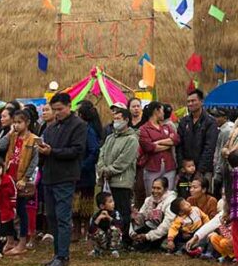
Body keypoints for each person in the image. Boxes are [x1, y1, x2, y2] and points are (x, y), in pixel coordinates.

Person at [38, 92, 88, 266]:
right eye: (54, 109)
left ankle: (63, 255)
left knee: (63, 217)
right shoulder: (51, 127)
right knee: (51, 216)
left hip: (65, 177)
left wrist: (52, 152)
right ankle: (56, 253)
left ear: (69, 106)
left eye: (60, 109)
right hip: (49, 177)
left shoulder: (79, 125)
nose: (57, 112)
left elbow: (76, 151)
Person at [0, 110, 38, 255]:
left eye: (19, 122)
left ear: (27, 123)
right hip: (8, 178)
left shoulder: (33, 139)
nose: (16, 125)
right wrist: (9, 133)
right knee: (6, 209)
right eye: (14, 122)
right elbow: (0, 147)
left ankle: (22, 242)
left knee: (21, 211)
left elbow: (34, 162)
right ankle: (10, 239)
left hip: (20, 179)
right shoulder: (12, 136)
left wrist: (25, 179)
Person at [97, 105, 138, 245]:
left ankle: (124, 239)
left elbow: (124, 160)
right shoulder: (110, 137)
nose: (115, 121)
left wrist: (109, 170)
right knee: (109, 212)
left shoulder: (132, 139)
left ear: (126, 120)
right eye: (114, 119)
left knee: (122, 211)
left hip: (122, 181)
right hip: (107, 181)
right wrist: (102, 168)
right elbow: (102, 153)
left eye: (118, 119)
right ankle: (109, 238)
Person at [73, 102, 102, 241]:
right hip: (75, 172)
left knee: (85, 203)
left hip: (85, 173)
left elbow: (94, 150)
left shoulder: (88, 130)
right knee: (75, 203)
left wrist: (84, 165)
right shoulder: (78, 129)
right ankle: (76, 230)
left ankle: (84, 231)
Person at [178, 88, 219, 182]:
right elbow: (179, 145)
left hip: (204, 170)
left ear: (201, 102)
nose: (190, 104)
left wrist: (200, 170)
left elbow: (209, 148)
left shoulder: (210, 122)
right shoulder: (184, 122)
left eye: (193, 101)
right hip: (185, 169)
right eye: (188, 101)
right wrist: (182, 165)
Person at [139, 101, 180, 195]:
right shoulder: (144, 129)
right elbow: (149, 147)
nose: (164, 113)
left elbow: (176, 140)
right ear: (156, 111)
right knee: (152, 194)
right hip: (152, 167)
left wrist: (158, 142)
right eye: (162, 110)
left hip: (169, 166)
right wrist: (168, 144)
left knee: (169, 195)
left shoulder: (167, 127)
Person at [130, 176, 177, 250]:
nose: (155, 191)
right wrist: (135, 216)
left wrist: (148, 236)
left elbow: (167, 224)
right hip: (149, 228)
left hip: (165, 232)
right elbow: (141, 216)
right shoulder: (149, 200)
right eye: (153, 188)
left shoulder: (171, 201)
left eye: (158, 188)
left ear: (165, 189)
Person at [89, 191, 122, 257]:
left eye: (113, 201)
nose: (113, 203)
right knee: (95, 232)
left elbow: (120, 224)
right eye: (110, 202)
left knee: (115, 229)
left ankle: (114, 250)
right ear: (102, 206)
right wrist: (98, 219)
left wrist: (109, 218)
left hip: (111, 238)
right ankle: (98, 250)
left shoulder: (116, 213)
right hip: (102, 238)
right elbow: (90, 230)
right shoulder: (96, 215)